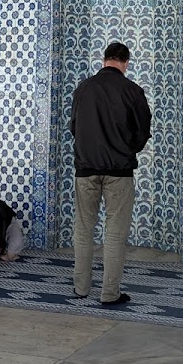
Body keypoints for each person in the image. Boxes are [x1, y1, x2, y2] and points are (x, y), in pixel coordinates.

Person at [70, 41, 151, 305]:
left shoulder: (83, 89)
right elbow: (142, 132)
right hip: (120, 171)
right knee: (115, 233)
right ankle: (109, 293)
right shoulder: (132, 90)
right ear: (126, 63)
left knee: (83, 229)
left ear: (104, 60)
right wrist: (127, 150)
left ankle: (81, 289)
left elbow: (74, 127)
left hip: (85, 169)